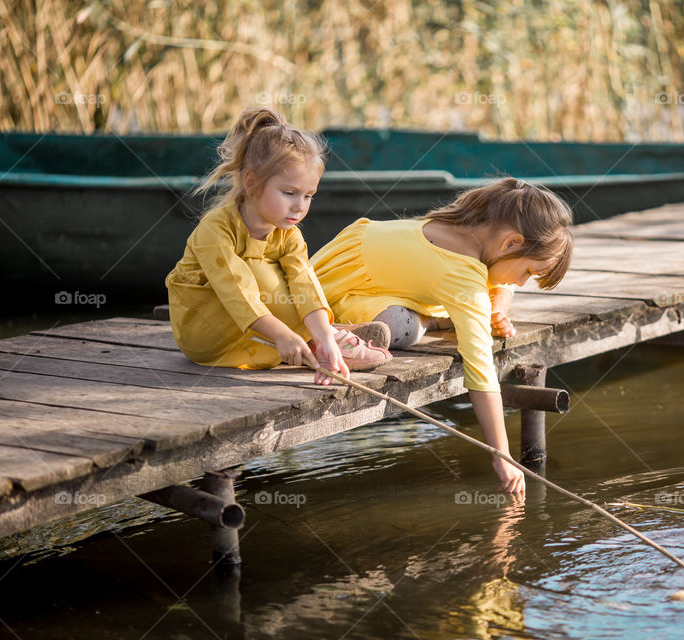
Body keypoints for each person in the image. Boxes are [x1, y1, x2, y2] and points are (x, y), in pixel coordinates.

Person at [311, 178, 574, 493]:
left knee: (399, 318)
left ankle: (406, 321)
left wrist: (496, 311)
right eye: (529, 273)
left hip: (342, 269)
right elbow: (480, 369)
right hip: (334, 296)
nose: (521, 283)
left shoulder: (457, 227)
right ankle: (343, 330)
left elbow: (500, 282)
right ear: (510, 243)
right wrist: (500, 452)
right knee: (403, 328)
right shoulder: (463, 278)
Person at [166, 107, 391, 385]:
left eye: (309, 195)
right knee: (263, 275)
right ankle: (310, 339)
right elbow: (236, 290)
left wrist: (321, 334)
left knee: (300, 279)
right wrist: (283, 334)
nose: (300, 206)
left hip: (255, 335)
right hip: (207, 333)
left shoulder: (289, 234)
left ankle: (322, 340)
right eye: (289, 193)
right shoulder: (217, 229)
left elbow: (304, 283)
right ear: (251, 182)